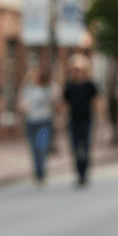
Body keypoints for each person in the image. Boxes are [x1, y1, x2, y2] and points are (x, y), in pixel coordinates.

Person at [61, 55, 100, 188]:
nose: (76, 72)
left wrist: (100, 118)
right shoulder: (69, 86)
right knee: (75, 148)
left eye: (79, 69)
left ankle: (84, 173)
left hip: (87, 121)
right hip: (73, 121)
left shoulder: (90, 85)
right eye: (74, 70)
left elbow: (96, 103)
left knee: (85, 147)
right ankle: (78, 173)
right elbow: (64, 105)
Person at [18, 68, 55, 187]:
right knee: (34, 149)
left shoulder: (47, 88)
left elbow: (54, 101)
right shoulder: (27, 90)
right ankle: (38, 173)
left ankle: (41, 172)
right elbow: (21, 104)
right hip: (31, 122)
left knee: (41, 147)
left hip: (44, 121)